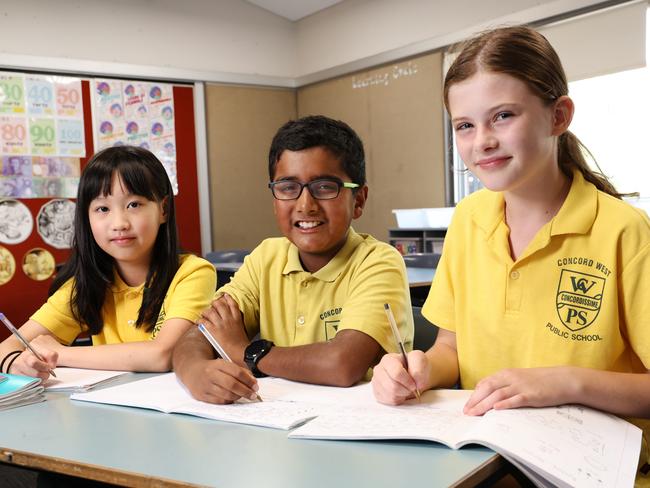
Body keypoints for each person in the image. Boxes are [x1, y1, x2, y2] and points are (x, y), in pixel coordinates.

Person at [371, 26, 650, 478]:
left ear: (558, 116)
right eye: (464, 125)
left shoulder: (624, 231)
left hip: (589, 473)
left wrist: (567, 382)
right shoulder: (468, 220)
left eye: (503, 116)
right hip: (483, 468)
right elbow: (450, 349)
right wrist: (418, 369)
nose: (482, 140)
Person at [173, 115, 413, 404]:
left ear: (358, 200)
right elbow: (197, 335)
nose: (305, 205)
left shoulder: (377, 261)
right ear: (275, 200)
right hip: (279, 425)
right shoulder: (266, 258)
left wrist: (246, 353)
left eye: (324, 187)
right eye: (288, 187)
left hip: (356, 429)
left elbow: (342, 364)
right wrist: (195, 372)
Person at [0, 146, 216, 378]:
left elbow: (164, 354)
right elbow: (8, 347)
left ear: (163, 209)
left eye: (133, 205)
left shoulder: (192, 273)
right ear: (87, 217)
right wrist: (15, 363)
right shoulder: (86, 285)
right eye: (102, 208)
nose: (119, 223)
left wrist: (60, 353)